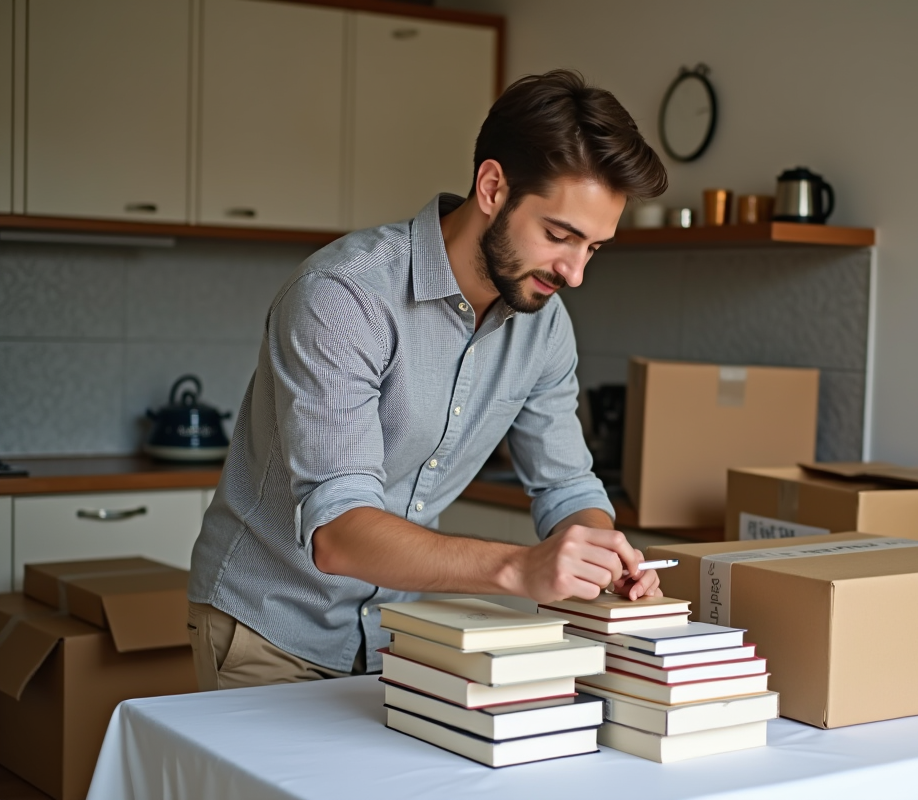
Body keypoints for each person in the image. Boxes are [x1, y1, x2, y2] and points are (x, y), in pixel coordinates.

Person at [186, 70, 670, 690]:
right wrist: (521, 569)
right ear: (493, 187)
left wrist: (606, 556)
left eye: (594, 248)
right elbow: (338, 531)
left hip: (401, 635)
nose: (575, 273)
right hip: (269, 631)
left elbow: (567, 486)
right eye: (559, 236)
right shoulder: (345, 295)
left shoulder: (543, 326)